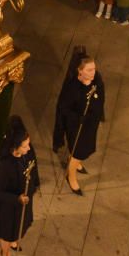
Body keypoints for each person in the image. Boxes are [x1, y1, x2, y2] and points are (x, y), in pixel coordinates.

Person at [0, 116, 40, 256]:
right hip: (8, 209)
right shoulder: (3, 166)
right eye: (25, 146)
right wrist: (17, 199)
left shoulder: (26, 154)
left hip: (23, 202)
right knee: (7, 235)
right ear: (15, 147)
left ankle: (14, 240)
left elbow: (32, 168)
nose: (29, 149)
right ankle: (6, 254)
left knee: (19, 227)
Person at [53, 57, 105, 196]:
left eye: (94, 68)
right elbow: (64, 109)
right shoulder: (72, 88)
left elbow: (101, 99)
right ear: (80, 71)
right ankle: (71, 177)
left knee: (84, 150)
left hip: (90, 125)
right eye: (89, 70)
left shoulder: (96, 81)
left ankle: (75, 162)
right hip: (77, 127)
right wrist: (77, 118)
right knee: (77, 152)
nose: (93, 72)